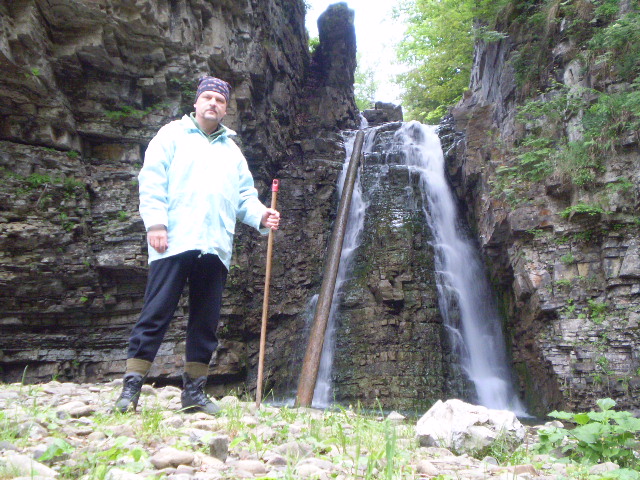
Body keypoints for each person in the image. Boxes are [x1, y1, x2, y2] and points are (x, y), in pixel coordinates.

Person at [114, 75, 280, 415]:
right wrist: (156, 224)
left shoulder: (232, 152)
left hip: (215, 245)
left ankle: (194, 393)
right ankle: (131, 389)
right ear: (196, 102)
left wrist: (262, 215)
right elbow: (152, 178)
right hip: (174, 239)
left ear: (226, 109)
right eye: (208, 98)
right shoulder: (171, 135)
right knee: (156, 313)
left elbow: (244, 197)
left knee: (205, 322)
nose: (213, 104)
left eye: (220, 101)